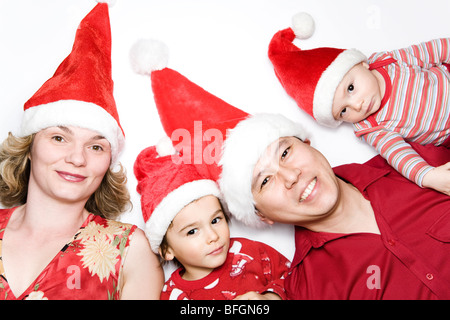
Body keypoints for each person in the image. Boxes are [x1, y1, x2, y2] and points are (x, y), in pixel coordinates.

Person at [0, 2, 163, 300]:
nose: (77, 158)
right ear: (29, 146)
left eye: (96, 146)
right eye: (60, 138)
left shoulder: (128, 250)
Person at [218, 111, 450, 299]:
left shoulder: (413, 163)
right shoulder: (310, 290)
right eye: (266, 181)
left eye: (285, 152)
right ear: (261, 216)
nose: (291, 176)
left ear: (308, 143)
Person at [268, 12, 450, 195]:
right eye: (343, 111)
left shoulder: (388, 62)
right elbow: (399, 154)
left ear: (362, 64)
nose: (357, 105)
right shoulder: (371, 127)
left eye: (351, 88)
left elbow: (433, 50)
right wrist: (427, 176)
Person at [133, 141, 290, 300]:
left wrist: (271, 297)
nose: (213, 236)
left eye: (215, 220)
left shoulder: (250, 252)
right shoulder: (174, 295)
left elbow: (295, 278)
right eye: (192, 231)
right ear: (167, 251)